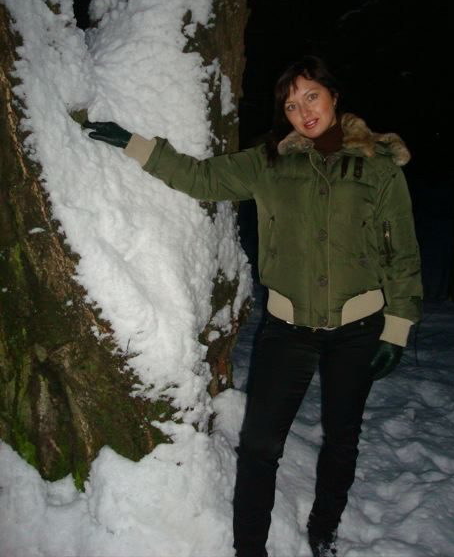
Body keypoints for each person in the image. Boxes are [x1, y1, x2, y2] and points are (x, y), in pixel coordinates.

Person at [85, 56, 422, 557]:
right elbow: (201, 178)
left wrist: (397, 327)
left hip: (358, 328)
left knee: (342, 438)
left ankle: (324, 529)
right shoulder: (269, 163)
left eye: (311, 96)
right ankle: (249, 549)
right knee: (260, 447)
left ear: (333, 96)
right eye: (291, 105)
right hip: (288, 330)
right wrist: (135, 145)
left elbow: (402, 253)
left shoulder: (377, 167)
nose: (303, 111)